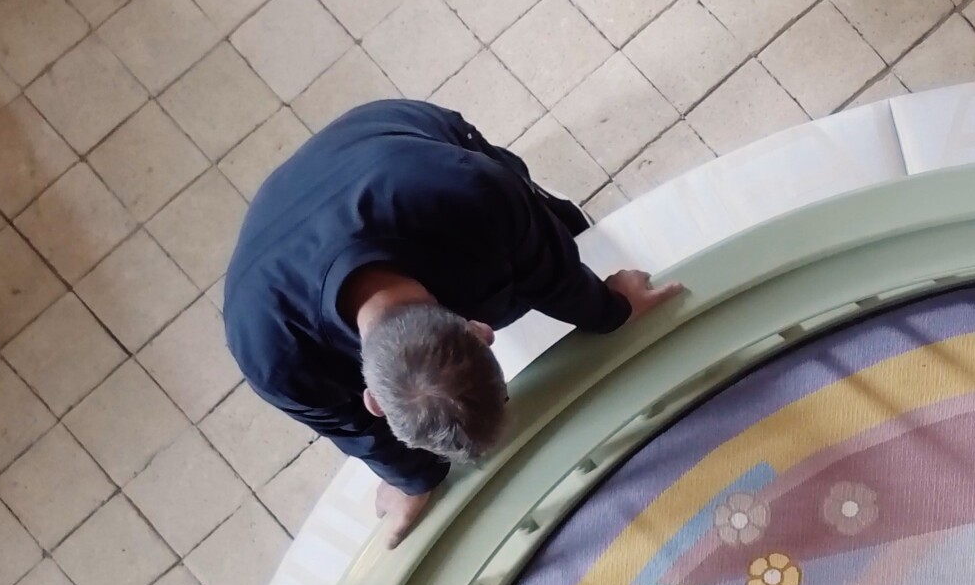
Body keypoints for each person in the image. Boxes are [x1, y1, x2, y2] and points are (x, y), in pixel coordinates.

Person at [224, 99, 682, 548]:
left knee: (554, 228)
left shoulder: (473, 191)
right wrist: (412, 480)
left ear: (481, 329)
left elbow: (550, 269)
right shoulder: (270, 353)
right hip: (294, 229)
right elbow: (352, 429)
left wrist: (612, 309)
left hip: (385, 136)